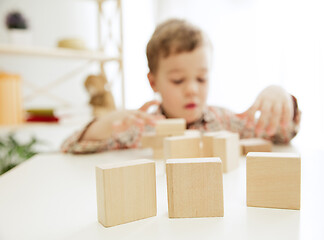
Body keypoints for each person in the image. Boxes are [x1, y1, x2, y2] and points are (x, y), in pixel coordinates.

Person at [61, 19, 301, 154]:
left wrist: (281, 98)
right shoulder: (140, 129)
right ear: (153, 82)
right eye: (178, 80)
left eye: (201, 78)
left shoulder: (225, 122)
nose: (192, 90)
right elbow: (70, 146)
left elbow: (282, 135)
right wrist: (104, 125)